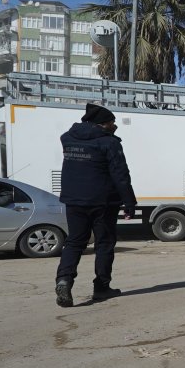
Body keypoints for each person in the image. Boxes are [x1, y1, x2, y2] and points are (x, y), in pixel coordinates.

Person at [54, 103, 137, 307]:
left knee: (74, 242)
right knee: (104, 244)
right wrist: (129, 201)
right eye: (112, 122)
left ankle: (64, 280)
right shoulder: (109, 143)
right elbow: (120, 174)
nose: (114, 126)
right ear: (102, 124)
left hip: (73, 199)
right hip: (103, 201)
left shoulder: (68, 138)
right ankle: (101, 287)